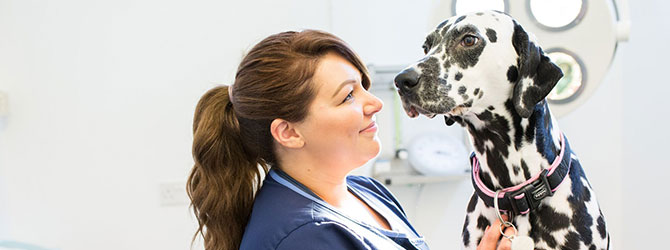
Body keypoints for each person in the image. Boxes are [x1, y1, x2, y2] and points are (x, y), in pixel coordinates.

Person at [186, 30, 514, 250]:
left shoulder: (366, 192)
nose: (376, 104)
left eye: (364, 87)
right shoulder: (304, 237)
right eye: (347, 97)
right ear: (289, 132)